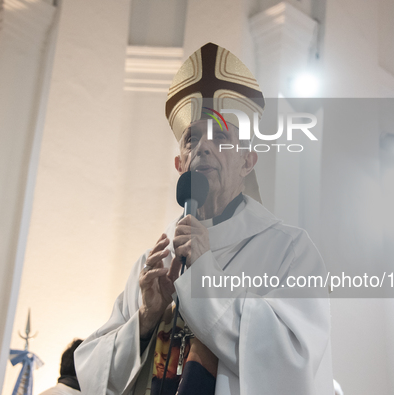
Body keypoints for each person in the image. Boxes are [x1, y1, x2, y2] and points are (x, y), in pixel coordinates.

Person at [75, 42, 331, 395]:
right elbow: (91, 373)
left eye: (221, 136)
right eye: (191, 138)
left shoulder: (287, 249)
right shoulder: (153, 264)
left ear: (247, 161)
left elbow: (293, 362)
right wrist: (146, 320)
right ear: (179, 164)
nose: (203, 147)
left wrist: (205, 272)